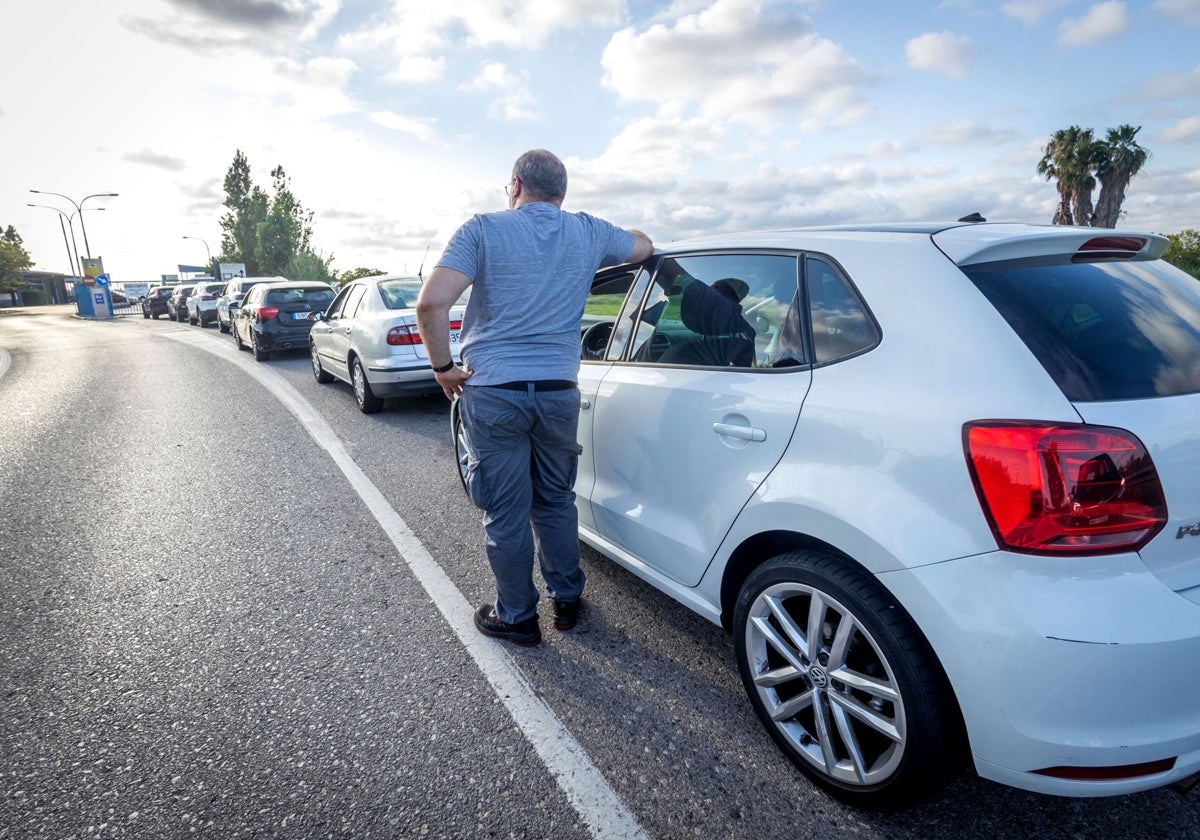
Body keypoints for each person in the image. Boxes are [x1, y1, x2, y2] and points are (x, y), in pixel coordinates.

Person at [416, 149, 654, 647]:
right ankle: (567, 601)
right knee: (555, 501)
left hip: (495, 392)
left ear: (516, 185)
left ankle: (518, 617)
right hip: (557, 391)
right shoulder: (586, 231)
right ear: (562, 194)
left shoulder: (482, 229)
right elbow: (644, 245)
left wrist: (443, 368)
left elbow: (433, 301)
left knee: (506, 511)